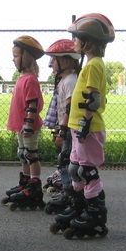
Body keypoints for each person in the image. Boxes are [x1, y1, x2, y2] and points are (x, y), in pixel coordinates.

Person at [50, 13, 115, 239]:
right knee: (74, 169)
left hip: (88, 127)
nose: (73, 42)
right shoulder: (89, 64)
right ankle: (79, 207)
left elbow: (93, 99)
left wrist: (85, 124)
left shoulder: (94, 65)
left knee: (86, 171)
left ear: (88, 40)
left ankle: (96, 215)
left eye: (76, 38)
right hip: (79, 126)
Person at [3, 35, 46, 211]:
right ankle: (26, 182)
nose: (13, 59)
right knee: (23, 153)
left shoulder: (30, 79)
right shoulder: (22, 77)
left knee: (30, 154)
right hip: (20, 125)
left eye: (16, 56)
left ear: (25, 57)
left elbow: (32, 104)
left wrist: (28, 124)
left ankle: (35, 188)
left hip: (29, 126)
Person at [42, 39, 81, 215]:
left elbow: (70, 108)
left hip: (70, 129)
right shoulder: (64, 80)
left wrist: (62, 131)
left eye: (54, 59)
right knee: (65, 160)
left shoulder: (70, 80)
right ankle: (69, 191)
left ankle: (69, 193)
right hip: (65, 127)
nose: (51, 64)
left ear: (64, 60)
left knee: (66, 160)